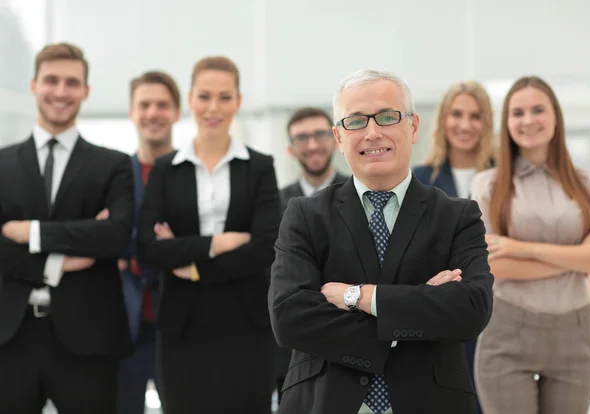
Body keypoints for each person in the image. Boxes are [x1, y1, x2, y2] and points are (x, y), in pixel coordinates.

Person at [269, 69, 493, 414]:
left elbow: (471, 310)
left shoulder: (457, 216)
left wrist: (356, 296)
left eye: (387, 117)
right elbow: (288, 317)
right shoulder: (305, 215)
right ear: (339, 137)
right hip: (324, 401)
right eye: (355, 122)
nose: (372, 133)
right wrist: (418, 308)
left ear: (414, 126)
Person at [136, 56, 281, 414]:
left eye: (224, 97)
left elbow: (265, 248)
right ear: (190, 99)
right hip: (182, 325)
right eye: (204, 96)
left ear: (238, 101)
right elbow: (149, 250)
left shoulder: (260, 167)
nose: (213, 107)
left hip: (248, 322)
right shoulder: (166, 170)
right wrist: (218, 243)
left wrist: (194, 264)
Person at [0, 42, 133, 414]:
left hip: (88, 339)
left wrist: (33, 233)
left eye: (72, 82)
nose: (61, 92)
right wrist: (55, 264)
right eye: (52, 80)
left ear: (86, 91)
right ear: (33, 85)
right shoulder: (1, 163)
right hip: (9, 338)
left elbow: (116, 236)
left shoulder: (114, 165)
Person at [471, 75, 590, 414]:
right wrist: (576, 258)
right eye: (518, 113)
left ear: (556, 116)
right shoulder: (486, 185)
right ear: (507, 123)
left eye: (538, 110)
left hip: (576, 333)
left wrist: (521, 247)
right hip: (508, 331)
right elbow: (494, 264)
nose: (528, 120)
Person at [412, 80, 495, 413]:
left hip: (497, 312)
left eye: (475, 116)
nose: (464, 125)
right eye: (456, 114)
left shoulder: (503, 176)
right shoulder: (420, 179)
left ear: (487, 123)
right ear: (443, 120)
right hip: (441, 313)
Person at [116, 71, 181, 414]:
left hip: (181, 323)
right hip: (123, 324)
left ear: (176, 112)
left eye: (162, 105)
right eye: (144, 104)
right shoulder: (113, 173)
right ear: (131, 111)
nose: (153, 113)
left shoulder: (191, 172)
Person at [275, 106, 349, 399]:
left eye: (320, 135)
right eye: (302, 138)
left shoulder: (359, 193)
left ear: (334, 139)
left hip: (349, 335)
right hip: (290, 346)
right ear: (291, 149)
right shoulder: (275, 203)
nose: (313, 145)